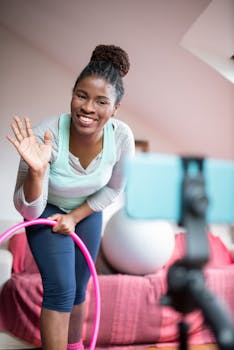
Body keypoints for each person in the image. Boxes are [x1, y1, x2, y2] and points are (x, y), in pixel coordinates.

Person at [7, 44, 135, 350]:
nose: (88, 108)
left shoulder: (121, 137)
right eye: (82, 95)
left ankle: (75, 346)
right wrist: (38, 172)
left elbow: (114, 188)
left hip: (87, 210)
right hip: (46, 208)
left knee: (79, 288)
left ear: (115, 108)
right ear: (72, 93)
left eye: (101, 101)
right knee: (61, 289)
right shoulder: (44, 134)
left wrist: (75, 217)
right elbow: (27, 210)